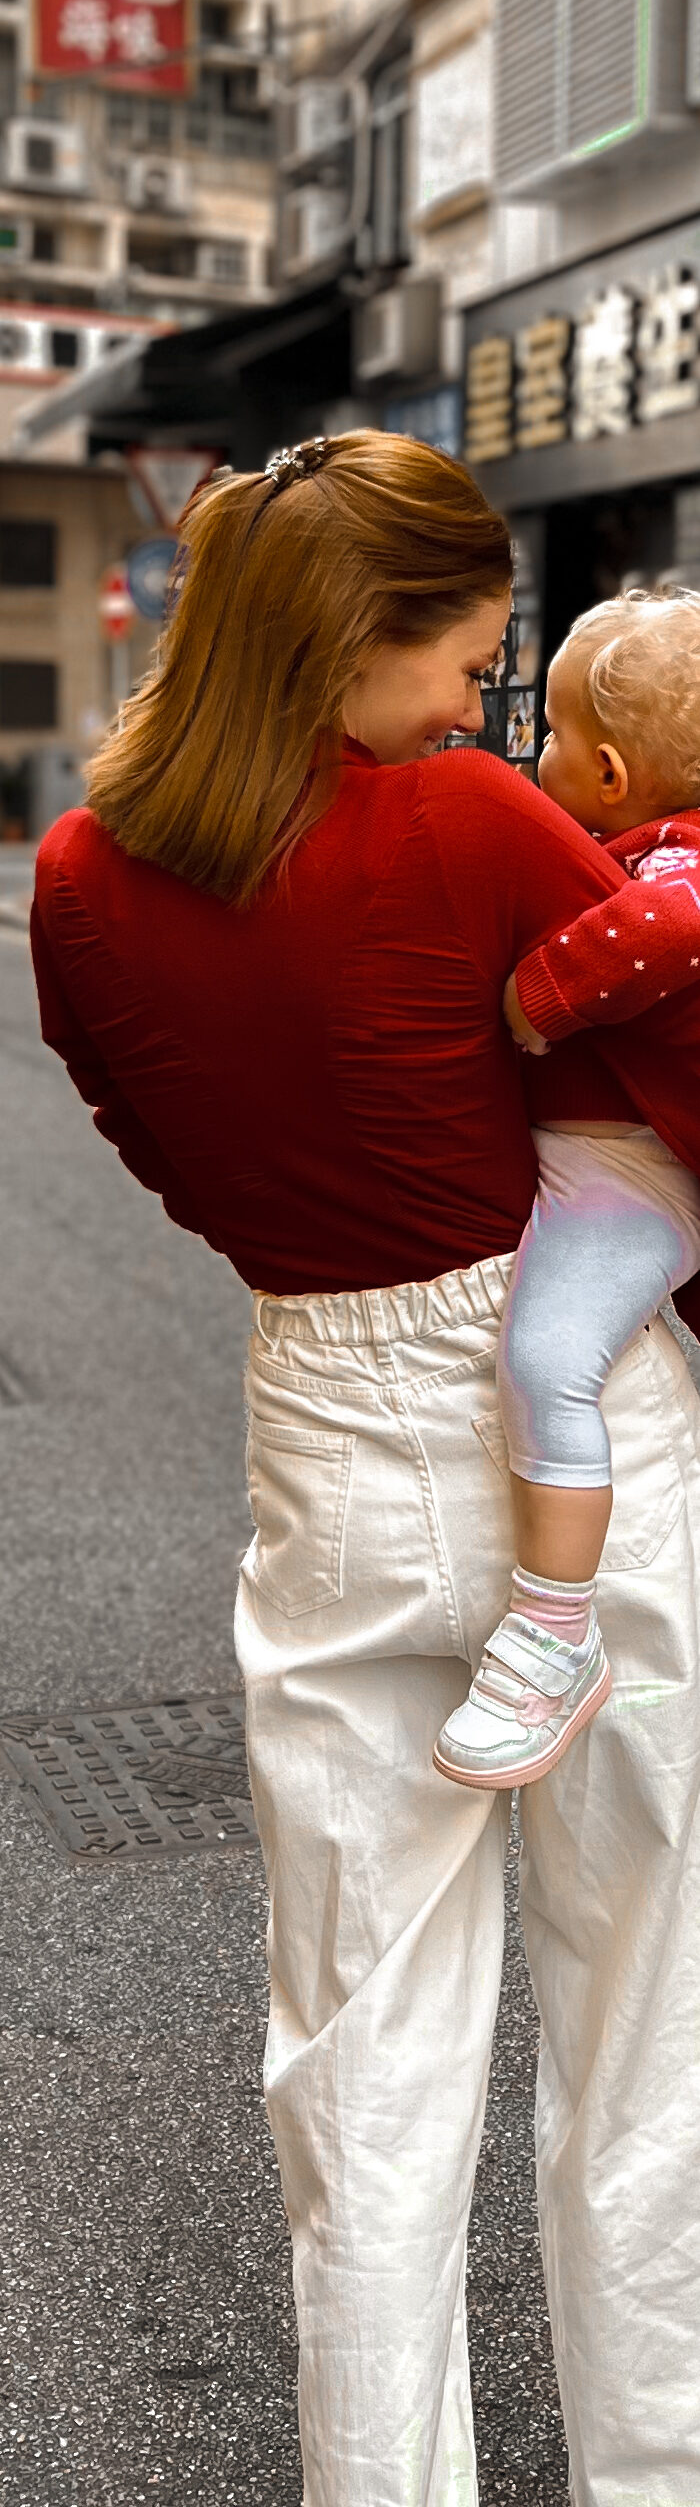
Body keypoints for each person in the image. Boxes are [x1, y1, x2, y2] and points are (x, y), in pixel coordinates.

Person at [29, 435, 700, 2507]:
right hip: (593, 1431)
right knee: (649, 2010)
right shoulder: (482, 835)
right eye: (458, 647)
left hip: (329, 1417)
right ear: (354, 641)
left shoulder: (88, 880)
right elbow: (651, 1084)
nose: (483, 690)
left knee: (367, 2079)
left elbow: (156, 1143)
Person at [434, 587, 700, 1791]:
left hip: (630, 1176)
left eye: (538, 735)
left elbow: (660, 928)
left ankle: (552, 1632)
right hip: (594, 1165)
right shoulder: (617, 847)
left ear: (601, 773)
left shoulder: (679, 867)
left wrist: (535, 998)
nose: (523, 753)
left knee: (549, 1362)